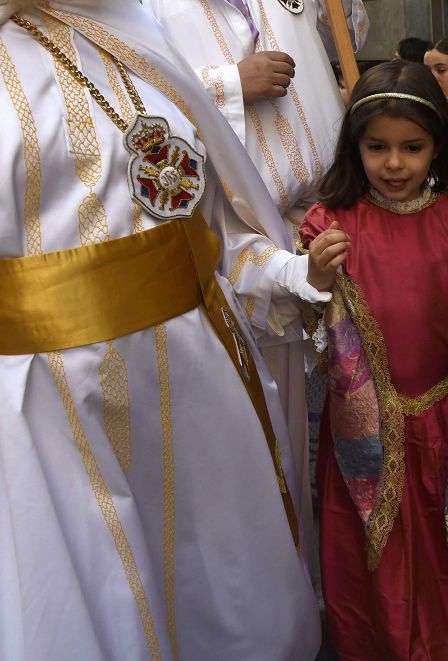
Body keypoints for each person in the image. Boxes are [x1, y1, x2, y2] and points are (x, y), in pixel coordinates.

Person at [0, 1, 346, 657]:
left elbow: (213, 223)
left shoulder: (135, 37)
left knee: (229, 605)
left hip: (199, 388)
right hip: (54, 415)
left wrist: (295, 275)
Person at [300, 60, 448, 660]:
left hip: (441, 422)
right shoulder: (331, 226)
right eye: (377, 147)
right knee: (372, 563)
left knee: (446, 562)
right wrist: (313, 276)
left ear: (438, 146)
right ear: (355, 148)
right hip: (360, 431)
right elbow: (307, 324)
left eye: (412, 147)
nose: (394, 164)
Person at [141, 0, 369, 561]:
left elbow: (350, 34)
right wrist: (226, 84)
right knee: (271, 444)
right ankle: (289, 582)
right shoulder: (148, 8)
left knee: (353, 424)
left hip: (330, 224)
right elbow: (127, 100)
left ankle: (352, 580)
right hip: (233, 241)